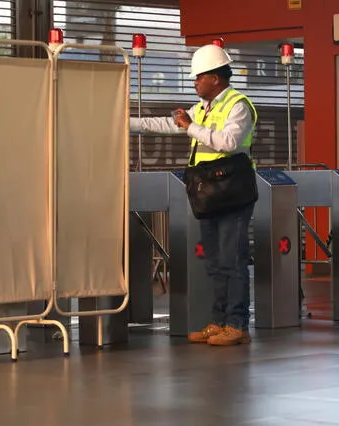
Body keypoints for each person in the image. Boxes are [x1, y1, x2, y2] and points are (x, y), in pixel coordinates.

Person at [130, 44, 257, 345]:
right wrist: (122, 123)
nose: (194, 82)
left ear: (215, 78)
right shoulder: (202, 109)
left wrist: (190, 127)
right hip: (209, 194)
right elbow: (162, 124)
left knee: (232, 260)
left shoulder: (238, 105)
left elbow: (228, 141)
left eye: (198, 77)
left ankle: (237, 325)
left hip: (233, 193)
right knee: (214, 262)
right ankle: (219, 321)